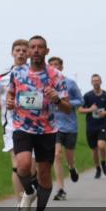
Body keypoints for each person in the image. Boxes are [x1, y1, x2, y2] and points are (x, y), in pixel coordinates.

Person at [6, 35, 72, 211]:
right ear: (27, 51)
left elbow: (68, 108)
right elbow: (11, 94)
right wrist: (10, 102)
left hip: (46, 130)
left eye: (39, 47)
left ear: (46, 51)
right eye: (32, 47)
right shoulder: (17, 73)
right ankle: (29, 191)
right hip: (22, 127)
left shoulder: (56, 76)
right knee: (23, 166)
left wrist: (57, 100)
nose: (35, 50)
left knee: (44, 175)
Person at [0, 39, 30, 211]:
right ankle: (20, 203)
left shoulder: (36, 75)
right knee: (17, 165)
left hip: (33, 125)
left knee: (30, 168)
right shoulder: (2, 76)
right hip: (11, 126)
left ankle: (29, 194)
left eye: (23, 50)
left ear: (28, 54)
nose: (21, 53)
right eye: (17, 50)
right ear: (12, 53)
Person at [47, 56, 81, 200]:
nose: (54, 67)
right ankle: (61, 189)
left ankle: (72, 167)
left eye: (57, 65)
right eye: (51, 65)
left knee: (69, 157)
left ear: (61, 67)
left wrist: (63, 102)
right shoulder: (45, 83)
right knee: (56, 155)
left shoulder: (70, 83)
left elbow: (81, 101)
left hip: (70, 125)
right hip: (53, 125)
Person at [78, 74, 106, 177]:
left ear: (101, 82)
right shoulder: (87, 96)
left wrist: (105, 113)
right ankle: (97, 168)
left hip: (102, 125)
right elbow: (80, 110)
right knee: (94, 149)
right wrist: (90, 110)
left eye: (97, 80)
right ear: (91, 83)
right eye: (94, 81)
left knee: (101, 145)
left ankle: (103, 162)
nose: (96, 82)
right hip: (91, 126)